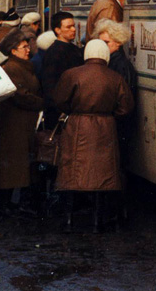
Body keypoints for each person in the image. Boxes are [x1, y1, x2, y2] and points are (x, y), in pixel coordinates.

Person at [54, 39, 134, 232]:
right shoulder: (115, 77)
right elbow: (126, 107)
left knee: (72, 175)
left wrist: (74, 112)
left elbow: (60, 100)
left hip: (77, 126)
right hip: (105, 128)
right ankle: (97, 223)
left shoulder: (72, 74)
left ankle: (68, 221)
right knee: (101, 177)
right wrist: (109, 115)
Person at [0, 29, 42, 216]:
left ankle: (8, 203)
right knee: (13, 166)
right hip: (14, 124)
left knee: (17, 165)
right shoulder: (13, 68)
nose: (28, 50)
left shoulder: (22, 65)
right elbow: (19, 95)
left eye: (27, 46)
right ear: (13, 51)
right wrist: (41, 102)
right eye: (23, 47)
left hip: (22, 124)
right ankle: (4, 204)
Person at [94, 20, 137, 168]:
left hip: (117, 124)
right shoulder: (112, 62)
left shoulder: (118, 65)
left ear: (118, 43)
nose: (103, 46)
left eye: (106, 42)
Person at [39, 12, 83, 128]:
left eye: (74, 26)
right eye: (69, 27)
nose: (74, 29)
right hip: (60, 113)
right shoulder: (54, 53)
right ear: (58, 30)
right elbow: (50, 87)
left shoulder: (74, 50)